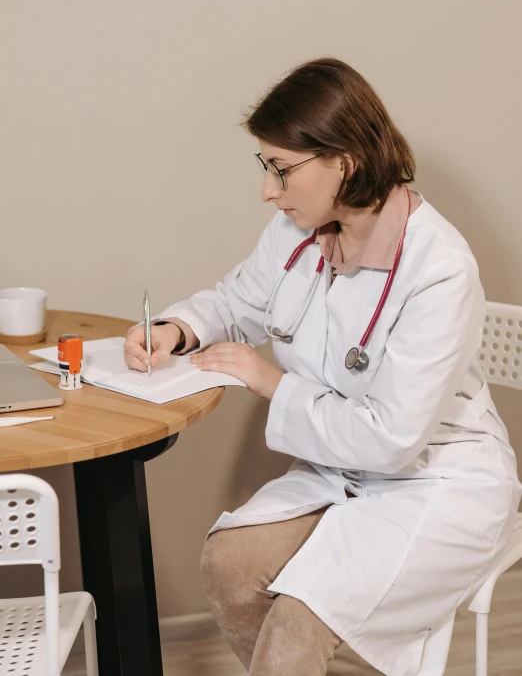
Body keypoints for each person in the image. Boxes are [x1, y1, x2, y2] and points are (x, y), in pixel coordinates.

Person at [123, 58, 521, 676]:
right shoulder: (299, 230)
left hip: (438, 482)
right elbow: (238, 300)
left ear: (345, 160)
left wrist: (270, 381)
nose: (267, 191)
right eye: (267, 169)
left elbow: (391, 437)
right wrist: (178, 329)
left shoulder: (439, 267)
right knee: (228, 564)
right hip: (343, 467)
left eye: (281, 171)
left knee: (299, 618)